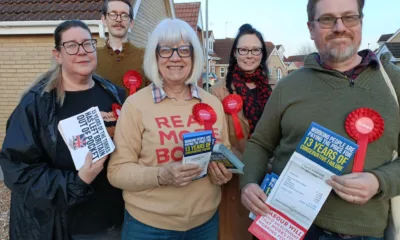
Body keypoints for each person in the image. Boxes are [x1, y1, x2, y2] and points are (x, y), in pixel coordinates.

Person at [240, 0, 400, 239]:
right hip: (283, 226)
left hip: (364, 233)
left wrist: (380, 181)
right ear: (311, 28)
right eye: (327, 19)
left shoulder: (394, 84)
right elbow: (260, 144)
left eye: (349, 17)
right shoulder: (288, 86)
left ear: (361, 21)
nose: (339, 27)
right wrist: (249, 182)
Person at [107, 18, 233, 240]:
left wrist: (223, 172)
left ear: (194, 57)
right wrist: (161, 175)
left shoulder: (212, 103)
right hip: (148, 227)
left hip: (204, 224)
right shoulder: (136, 105)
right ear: (155, 57)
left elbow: (224, 152)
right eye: (166, 50)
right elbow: (117, 172)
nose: (175, 57)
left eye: (184, 50)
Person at [0, 20, 126, 240]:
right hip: (66, 227)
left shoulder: (114, 94)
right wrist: (78, 181)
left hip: (116, 220)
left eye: (88, 44)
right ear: (57, 55)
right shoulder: (36, 105)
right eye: (72, 46)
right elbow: (19, 171)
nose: (82, 52)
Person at [210, 24, 272, 240]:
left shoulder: (274, 88)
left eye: (256, 50)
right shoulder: (219, 91)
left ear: (262, 54)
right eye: (243, 50)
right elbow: (217, 141)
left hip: (271, 178)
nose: (249, 55)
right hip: (236, 180)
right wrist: (250, 167)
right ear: (235, 53)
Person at [96, 0, 148, 96]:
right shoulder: (92, 56)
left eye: (124, 15)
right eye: (113, 14)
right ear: (104, 20)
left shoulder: (145, 56)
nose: (118, 19)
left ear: (131, 22)